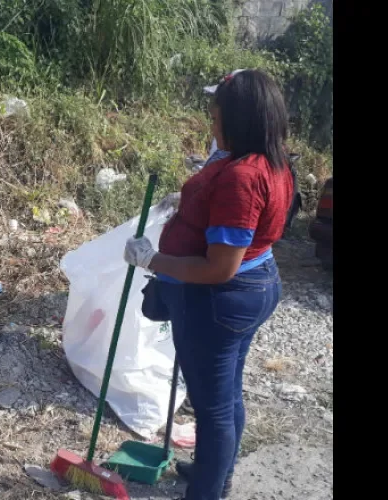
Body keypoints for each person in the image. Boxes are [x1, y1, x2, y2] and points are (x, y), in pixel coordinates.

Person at [123, 70, 293, 500]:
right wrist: (189, 206)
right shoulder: (268, 161)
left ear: (236, 117)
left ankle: (206, 491)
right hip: (254, 286)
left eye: (215, 112)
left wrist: (153, 259)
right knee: (227, 392)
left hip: (219, 299)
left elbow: (220, 267)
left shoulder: (242, 176)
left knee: (212, 406)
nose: (210, 121)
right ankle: (217, 474)